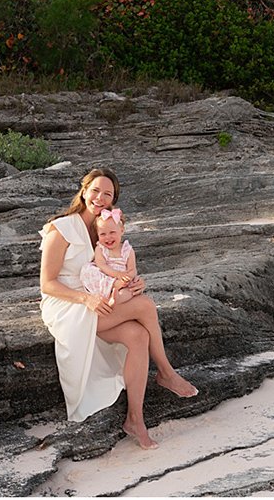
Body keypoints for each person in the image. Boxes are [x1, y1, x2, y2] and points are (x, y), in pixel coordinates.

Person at [38, 169, 197, 449]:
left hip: (101, 299)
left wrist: (135, 282)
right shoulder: (61, 228)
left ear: (113, 201)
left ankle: (135, 420)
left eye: (107, 194)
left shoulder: (104, 230)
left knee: (138, 336)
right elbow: (47, 284)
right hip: (68, 305)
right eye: (96, 190)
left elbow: (116, 269)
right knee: (146, 306)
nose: (100, 198)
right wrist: (85, 300)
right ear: (84, 190)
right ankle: (166, 372)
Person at [80, 207, 140, 306]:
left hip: (123, 281)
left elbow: (132, 269)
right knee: (88, 269)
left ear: (122, 230)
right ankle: (110, 291)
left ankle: (117, 300)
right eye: (103, 234)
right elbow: (101, 265)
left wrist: (128, 278)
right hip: (106, 278)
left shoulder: (127, 250)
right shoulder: (101, 248)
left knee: (130, 290)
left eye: (112, 232)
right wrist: (117, 275)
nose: (108, 237)